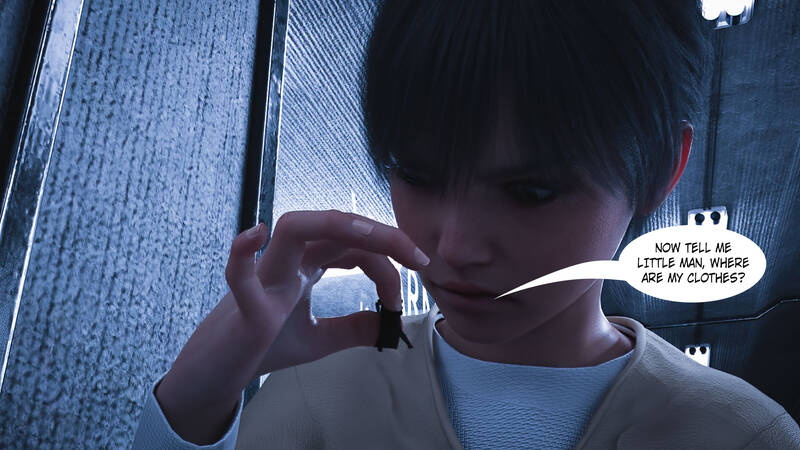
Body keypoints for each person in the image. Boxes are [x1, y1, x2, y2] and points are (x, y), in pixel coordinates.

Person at [133, 1, 800, 448]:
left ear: (660, 170)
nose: (453, 247)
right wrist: (203, 387)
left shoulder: (738, 434)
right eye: (416, 174)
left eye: (531, 191)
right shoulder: (322, 390)